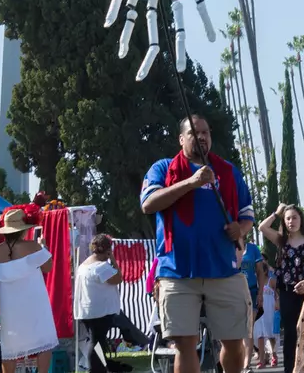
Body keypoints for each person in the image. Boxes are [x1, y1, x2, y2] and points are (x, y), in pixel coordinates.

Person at [140, 114, 255, 373]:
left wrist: (240, 229)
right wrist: (191, 182)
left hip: (223, 269)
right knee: (184, 344)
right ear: (181, 139)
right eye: (194, 133)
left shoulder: (228, 171)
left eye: (206, 132)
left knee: (234, 342)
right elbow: (148, 204)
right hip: (177, 271)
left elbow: (247, 215)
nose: (201, 137)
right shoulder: (163, 168)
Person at [0, 207, 57, 373]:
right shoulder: (33, 246)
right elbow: (48, 267)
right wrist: (43, 247)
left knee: (10, 348)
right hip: (34, 302)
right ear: (23, 230)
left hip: (10, 306)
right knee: (44, 341)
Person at [260, 204, 304, 373]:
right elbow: (263, 227)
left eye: (295, 217)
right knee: (291, 333)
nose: (292, 221)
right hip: (287, 292)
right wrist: (277, 213)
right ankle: (289, 369)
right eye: (288, 218)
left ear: (301, 220)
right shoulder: (281, 240)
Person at [76, 233, 130, 373]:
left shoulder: (85, 264)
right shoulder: (100, 267)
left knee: (97, 341)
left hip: (86, 310)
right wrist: (113, 259)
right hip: (99, 311)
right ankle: (95, 369)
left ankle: (101, 367)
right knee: (96, 342)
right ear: (107, 249)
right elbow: (118, 278)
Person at [252, 272, 279, 368]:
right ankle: (262, 359)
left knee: (270, 334)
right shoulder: (254, 282)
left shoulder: (271, 281)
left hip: (269, 311)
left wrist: (277, 302)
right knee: (260, 335)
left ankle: (274, 355)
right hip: (259, 311)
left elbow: (278, 292)